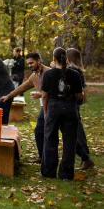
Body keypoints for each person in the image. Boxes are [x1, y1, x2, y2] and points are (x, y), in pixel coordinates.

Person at [41, 47, 83, 180]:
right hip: (70, 108)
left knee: (50, 139)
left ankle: (49, 171)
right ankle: (66, 173)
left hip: (53, 107)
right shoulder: (75, 74)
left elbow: (44, 96)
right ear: (66, 58)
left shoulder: (48, 74)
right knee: (69, 141)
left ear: (54, 59)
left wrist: (46, 112)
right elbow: (80, 96)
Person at [0, 52, 47, 161]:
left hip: (55, 107)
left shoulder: (49, 72)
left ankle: (85, 157)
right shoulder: (34, 76)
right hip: (44, 107)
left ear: (39, 60)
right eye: (28, 64)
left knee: (66, 132)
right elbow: (21, 88)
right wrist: (8, 96)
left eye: (32, 63)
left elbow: (57, 91)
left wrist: (41, 94)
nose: (30, 65)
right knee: (39, 131)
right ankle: (42, 157)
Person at [66, 48, 95, 171]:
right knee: (77, 126)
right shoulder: (78, 69)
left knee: (76, 128)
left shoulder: (72, 70)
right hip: (75, 101)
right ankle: (84, 153)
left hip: (71, 101)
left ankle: (85, 157)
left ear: (69, 58)